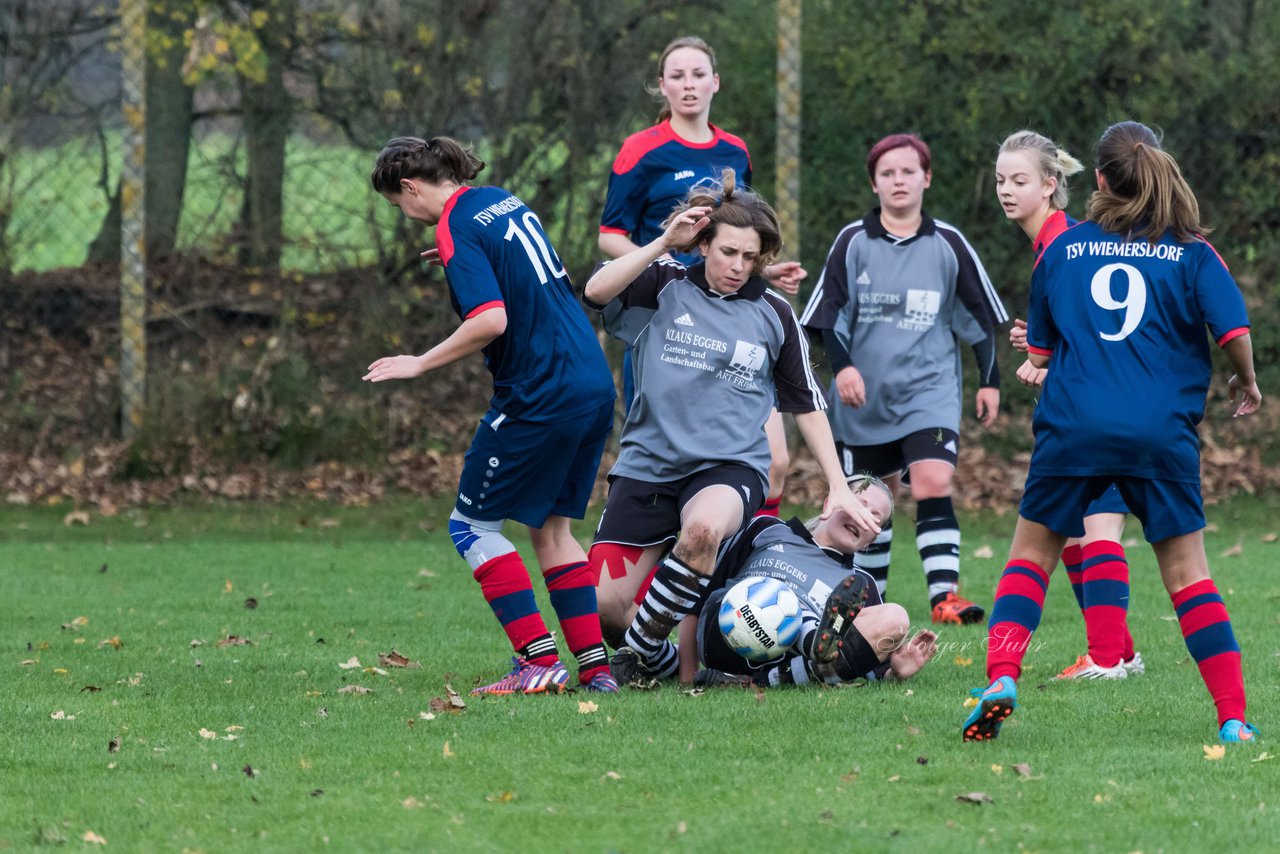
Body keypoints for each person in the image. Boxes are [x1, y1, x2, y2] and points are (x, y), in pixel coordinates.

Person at [964, 121, 1261, 744]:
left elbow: (1040, 354)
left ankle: (1000, 677)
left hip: (1075, 429)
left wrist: (1046, 352)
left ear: (1096, 179)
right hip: (1160, 433)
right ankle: (1232, 718)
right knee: (1189, 578)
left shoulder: (1062, 251)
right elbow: (1234, 334)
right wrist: (1246, 382)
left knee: (1030, 558)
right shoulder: (1192, 250)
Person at [583, 169, 880, 684]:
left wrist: (839, 485)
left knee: (702, 531)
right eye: (727, 252)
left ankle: (637, 654)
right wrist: (661, 243)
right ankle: (677, 667)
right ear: (702, 244)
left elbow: (807, 404)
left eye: (750, 256)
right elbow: (594, 291)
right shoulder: (664, 285)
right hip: (647, 466)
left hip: (728, 467)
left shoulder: (774, 314)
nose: (738, 267)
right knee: (603, 607)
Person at [363, 136, 619, 695]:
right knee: (553, 529)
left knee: (472, 525)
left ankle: (536, 660)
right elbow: (520, 268)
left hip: (539, 391)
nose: (403, 215)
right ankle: (598, 672)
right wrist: (462, 257)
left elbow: (491, 320)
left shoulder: (454, 226)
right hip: (591, 381)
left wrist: (418, 362)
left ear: (409, 188)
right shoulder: (498, 200)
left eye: (396, 204)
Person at [800, 133, 1007, 625]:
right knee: (874, 497)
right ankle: (869, 597)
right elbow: (825, 316)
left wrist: (990, 379)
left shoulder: (948, 244)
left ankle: (945, 597)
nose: (899, 180)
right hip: (862, 398)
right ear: (874, 183)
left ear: (926, 178)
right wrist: (844, 366)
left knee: (933, 479)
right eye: (888, 173)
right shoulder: (852, 242)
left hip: (928, 391)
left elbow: (978, 319)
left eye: (908, 171)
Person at [599, 35, 804, 518]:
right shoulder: (640, 150)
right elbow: (610, 237)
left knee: (775, 461)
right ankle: (654, 575)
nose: (688, 85)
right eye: (677, 76)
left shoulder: (735, 150)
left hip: (734, 323)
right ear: (661, 87)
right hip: (670, 321)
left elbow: (738, 232)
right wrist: (667, 265)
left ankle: (745, 565)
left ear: (715, 82)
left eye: (698, 75)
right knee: (663, 463)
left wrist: (764, 269)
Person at [995, 129, 1144, 680]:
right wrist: (1041, 350)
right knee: (1081, 530)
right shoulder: (1053, 243)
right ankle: (1120, 651)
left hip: (1095, 412)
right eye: (1000, 181)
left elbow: (1104, 341)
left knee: (1092, 529)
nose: (1006, 191)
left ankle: (1109, 659)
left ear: (1050, 185)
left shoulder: (1065, 243)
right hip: (1088, 406)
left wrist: (1044, 357)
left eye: (1019, 180)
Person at [693, 475, 939, 687]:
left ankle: (761, 682)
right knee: (777, 596)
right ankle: (813, 640)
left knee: (895, 617)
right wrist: (686, 670)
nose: (864, 517)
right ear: (831, 502)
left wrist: (894, 672)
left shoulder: (858, 585)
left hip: (779, 663)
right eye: (859, 505)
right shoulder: (767, 529)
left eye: (875, 518)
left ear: (872, 540)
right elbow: (703, 585)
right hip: (723, 631)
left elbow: (857, 661)